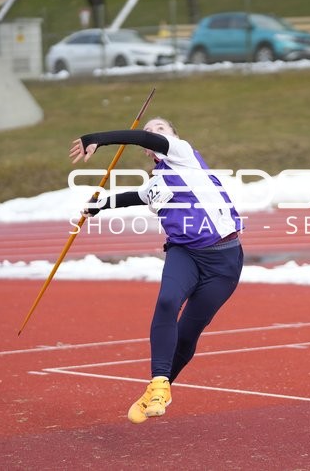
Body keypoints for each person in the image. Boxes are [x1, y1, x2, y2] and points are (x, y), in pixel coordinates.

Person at [69, 117, 244, 424]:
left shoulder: (183, 153)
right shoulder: (156, 182)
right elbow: (134, 197)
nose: (153, 133)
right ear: (148, 153)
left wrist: (97, 138)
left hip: (224, 262)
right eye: (149, 130)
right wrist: (100, 205)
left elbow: (142, 138)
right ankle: (159, 383)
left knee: (187, 334)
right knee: (166, 301)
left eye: (160, 128)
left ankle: (159, 390)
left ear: (173, 136)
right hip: (184, 253)